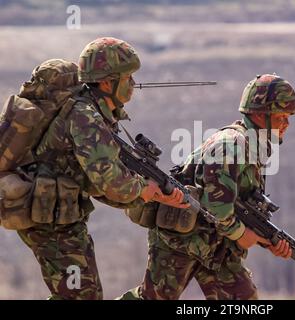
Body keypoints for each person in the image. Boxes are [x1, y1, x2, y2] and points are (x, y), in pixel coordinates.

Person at [16, 37, 187, 300]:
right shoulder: (86, 117)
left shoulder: (97, 112)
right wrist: (146, 190)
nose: (133, 84)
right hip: (48, 216)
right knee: (82, 295)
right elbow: (111, 183)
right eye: (127, 77)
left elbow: (97, 185)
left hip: (60, 214)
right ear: (107, 82)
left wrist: (149, 193)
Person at [120, 74, 295, 300]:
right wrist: (242, 234)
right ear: (260, 114)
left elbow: (243, 208)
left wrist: (269, 241)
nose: (286, 124)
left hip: (217, 245)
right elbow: (217, 207)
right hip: (182, 239)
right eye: (281, 116)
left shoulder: (254, 148)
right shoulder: (231, 145)